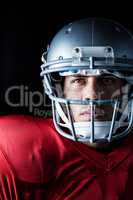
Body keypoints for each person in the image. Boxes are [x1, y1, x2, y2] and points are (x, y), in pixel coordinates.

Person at [0, 17, 133, 199]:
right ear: (59, 89)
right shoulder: (17, 149)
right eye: (78, 80)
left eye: (107, 80)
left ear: (127, 88)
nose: (92, 95)